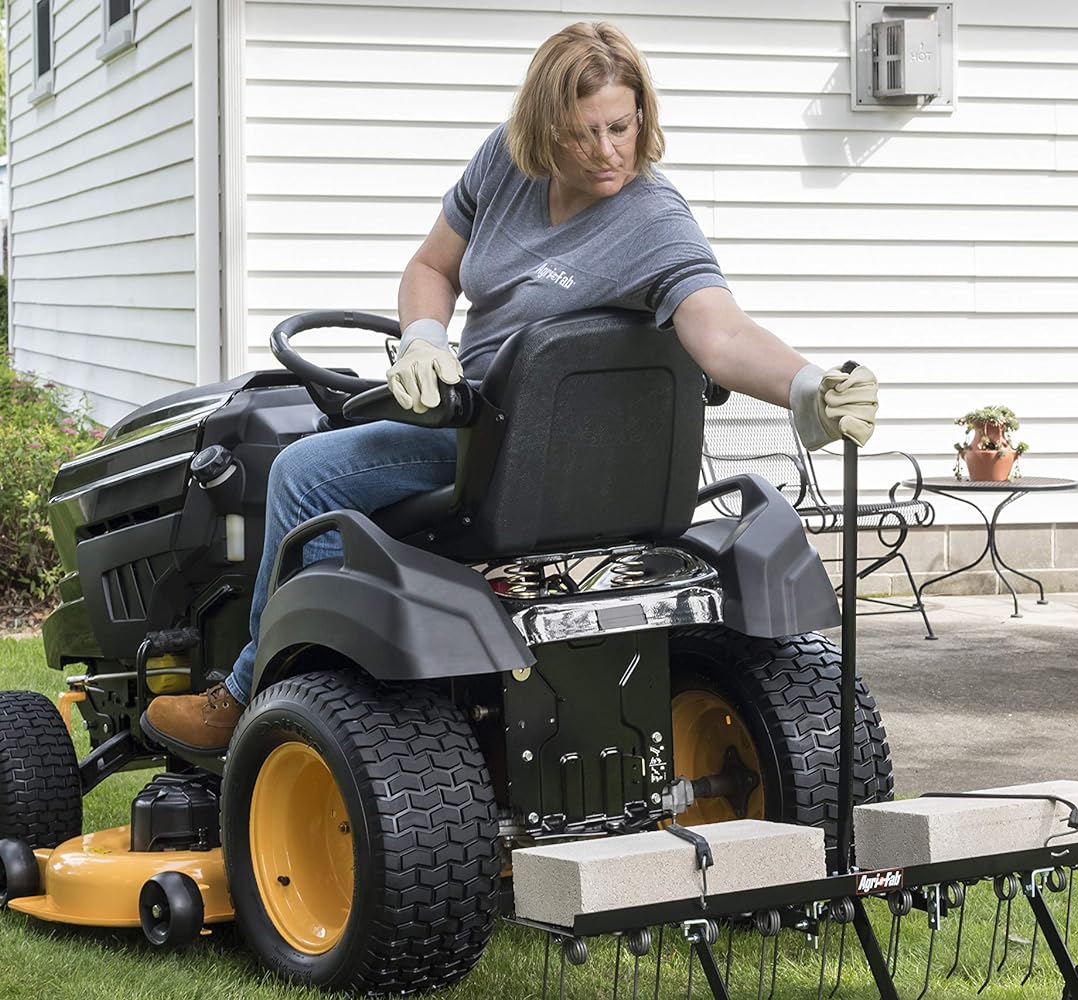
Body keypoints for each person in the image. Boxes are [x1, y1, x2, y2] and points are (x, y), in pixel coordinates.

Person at [141, 21, 879, 754]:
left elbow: (721, 332)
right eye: (580, 134)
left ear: (643, 116)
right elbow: (431, 268)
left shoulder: (654, 221)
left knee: (302, 472)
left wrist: (809, 385)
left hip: (522, 445)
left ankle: (245, 695)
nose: (605, 152)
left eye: (620, 127)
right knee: (335, 458)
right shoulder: (504, 163)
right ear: (541, 128)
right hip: (467, 416)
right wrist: (426, 338)